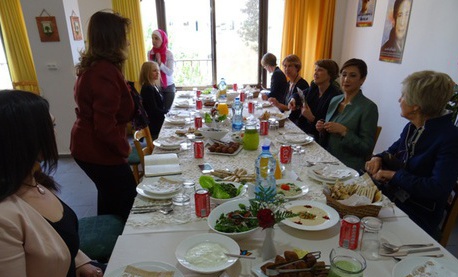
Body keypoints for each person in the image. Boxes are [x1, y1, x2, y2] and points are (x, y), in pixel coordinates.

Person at [0, 90, 103, 277]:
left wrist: (81, 263)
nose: (55, 133)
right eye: (52, 126)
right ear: (24, 139)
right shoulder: (5, 217)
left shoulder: (34, 180)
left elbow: (57, 239)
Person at [365, 71, 458, 240]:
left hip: (417, 215)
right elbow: (392, 151)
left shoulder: (450, 137)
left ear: (416, 105)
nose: (399, 100)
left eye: (403, 96)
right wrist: (377, 157)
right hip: (393, 199)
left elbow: (437, 188)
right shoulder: (412, 127)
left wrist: (394, 176)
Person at [70, 11, 137, 222]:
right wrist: (124, 149)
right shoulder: (104, 72)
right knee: (128, 201)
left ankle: (109, 249)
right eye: (123, 36)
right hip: (97, 149)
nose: (127, 42)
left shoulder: (95, 67)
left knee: (109, 196)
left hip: (86, 146)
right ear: (112, 39)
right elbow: (104, 127)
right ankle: (123, 247)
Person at [316, 58, 378, 171]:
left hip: (348, 166)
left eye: (352, 75)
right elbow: (329, 137)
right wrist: (322, 128)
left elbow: (366, 148)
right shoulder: (335, 100)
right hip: (326, 158)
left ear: (362, 80)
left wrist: (344, 131)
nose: (346, 79)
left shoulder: (369, 107)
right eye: (344, 75)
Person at [291, 59, 342, 140]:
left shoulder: (335, 96)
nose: (315, 73)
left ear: (330, 74)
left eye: (320, 70)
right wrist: (293, 99)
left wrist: (311, 118)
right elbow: (297, 94)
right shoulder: (314, 88)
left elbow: (328, 127)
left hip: (317, 137)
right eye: (315, 70)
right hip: (302, 130)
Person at [269, 54, 309, 124]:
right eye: (285, 66)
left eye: (290, 66)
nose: (286, 69)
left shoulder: (302, 84)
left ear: (297, 68)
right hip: (287, 118)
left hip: (296, 122)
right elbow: (285, 105)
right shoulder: (288, 83)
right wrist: (277, 104)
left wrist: (278, 104)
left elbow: (293, 109)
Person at [148, 29, 175, 111]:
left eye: (156, 38)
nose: (154, 41)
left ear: (162, 40)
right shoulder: (150, 53)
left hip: (168, 86)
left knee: (167, 112)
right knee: (158, 112)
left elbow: (170, 72)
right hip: (156, 86)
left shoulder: (168, 53)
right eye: (152, 38)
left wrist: (160, 64)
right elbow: (150, 70)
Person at [139, 61, 168, 139]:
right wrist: (168, 112)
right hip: (155, 126)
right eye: (154, 71)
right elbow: (154, 110)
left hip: (159, 121)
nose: (158, 73)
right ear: (147, 73)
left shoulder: (153, 85)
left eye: (158, 70)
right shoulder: (147, 88)